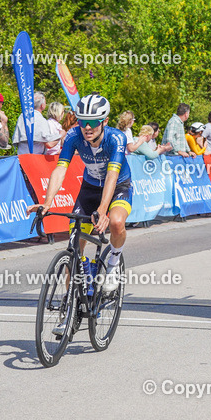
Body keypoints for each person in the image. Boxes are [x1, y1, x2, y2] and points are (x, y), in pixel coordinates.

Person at [29, 93, 130, 302]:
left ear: (105, 121)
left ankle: (113, 263)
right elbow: (60, 169)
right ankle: (70, 305)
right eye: (83, 121)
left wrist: (103, 211)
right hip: (90, 187)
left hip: (118, 185)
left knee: (116, 222)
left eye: (93, 122)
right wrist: (47, 203)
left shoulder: (116, 138)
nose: (87, 127)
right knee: (74, 246)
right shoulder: (74, 136)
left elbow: (112, 175)